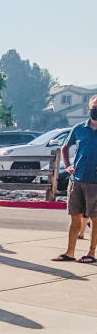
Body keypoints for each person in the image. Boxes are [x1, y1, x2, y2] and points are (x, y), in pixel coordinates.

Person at [53, 95, 97, 264]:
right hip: (77, 180)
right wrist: (68, 165)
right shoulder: (79, 129)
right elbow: (65, 147)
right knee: (75, 216)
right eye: (94, 106)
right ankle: (70, 252)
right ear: (88, 108)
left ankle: (91, 253)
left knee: (94, 218)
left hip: (95, 182)